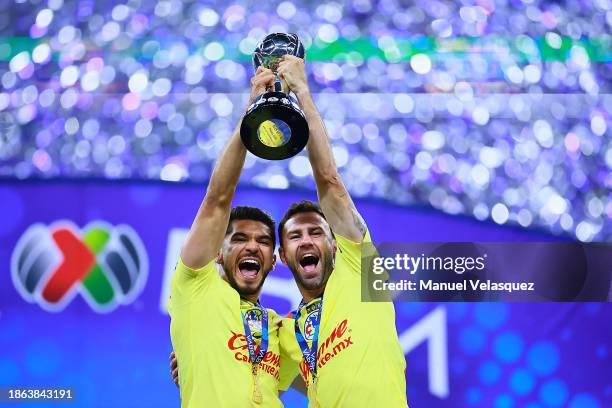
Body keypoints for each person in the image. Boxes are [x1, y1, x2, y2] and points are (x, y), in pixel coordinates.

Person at [274, 55, 408, 407]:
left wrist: (302, 90)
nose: (306, 240)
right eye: (295, 236)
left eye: (316, 232)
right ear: (282, 257)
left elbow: (330, 182)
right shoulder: (286, 332)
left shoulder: (363, 270)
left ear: (335, 244)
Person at [168, 66, 296, 407]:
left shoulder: (279, 331)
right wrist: (252, 111)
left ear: (273, 261)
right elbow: (217, 199)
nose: (252, 245)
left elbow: (329, 375)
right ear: (218, 253)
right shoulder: (195, 288)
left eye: (264, 242)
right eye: (239, 239)